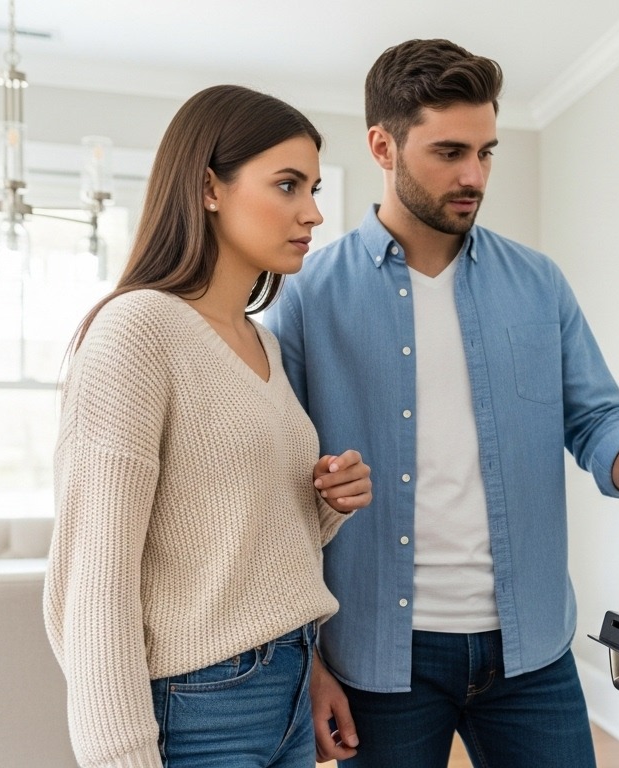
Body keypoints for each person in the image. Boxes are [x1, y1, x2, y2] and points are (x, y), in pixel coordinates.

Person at [263, 39, 619, 766]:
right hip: (378, 657)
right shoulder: (304, 298)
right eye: (449, 151)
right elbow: (276, 497)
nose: (473, 175)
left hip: (531, 649)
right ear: (382, 145)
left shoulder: (538, 283)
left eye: (487, 152)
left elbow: (596, 419)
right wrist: (311, 662)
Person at [43, 84, 373, 768]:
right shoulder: (137, 330)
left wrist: (323, 503)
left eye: (312, 187)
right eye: (287, 185)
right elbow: (97, 583)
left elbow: (223, 538)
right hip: (200, 706)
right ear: (208, 188)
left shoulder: (262, 343)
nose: (312, 212)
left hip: (285, 684)